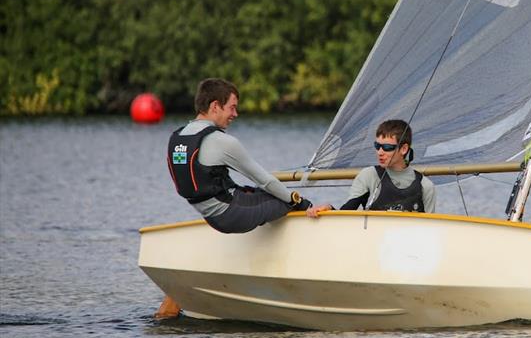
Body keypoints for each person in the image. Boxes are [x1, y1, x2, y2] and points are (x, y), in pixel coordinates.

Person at [167, 78, 312, 234]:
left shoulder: (177, 137)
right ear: (215, 106)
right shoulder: (221, 141)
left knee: (261, 193)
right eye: (232, 108)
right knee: (286, 201)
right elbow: (265, 180)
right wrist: (303, 203)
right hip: (231, 217)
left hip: (210, 216)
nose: (235, 114)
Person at [306, 119, 435, 217]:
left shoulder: (426, 186)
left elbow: (431, 231)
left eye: (387, 147)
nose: (380, 152)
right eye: (377, 146)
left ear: (404, 149)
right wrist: (329, 209)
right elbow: (347, 211)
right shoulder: (368, 176)